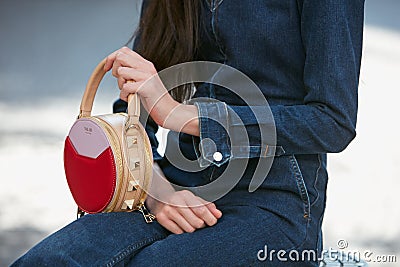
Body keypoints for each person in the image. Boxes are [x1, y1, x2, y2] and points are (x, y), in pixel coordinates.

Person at [12, 0, 365, 266]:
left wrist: (181, 114)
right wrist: (158, 192)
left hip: (273, 199)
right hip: (174, 186)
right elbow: (137, 111)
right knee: (50, 260)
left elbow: (331, 121)